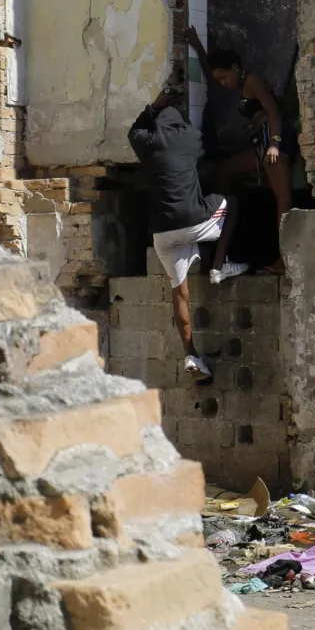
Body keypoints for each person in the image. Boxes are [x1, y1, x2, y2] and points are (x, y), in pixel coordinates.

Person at [128, 86, 240, 383]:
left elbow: (134, 130)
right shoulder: (189, 137)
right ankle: (219, 265)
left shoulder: (147, 142)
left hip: (162, 234)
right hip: (193, 223)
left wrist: (154, 106)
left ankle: (191, 354)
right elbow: (208, 149)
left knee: (180, 294)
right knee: (231, 202)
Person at [200, 44, 292, 222]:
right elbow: (211, 75)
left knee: (282, 196)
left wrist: (274, 143)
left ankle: (285, 240)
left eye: (224, 77)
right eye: (219, 81)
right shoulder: (242, 85)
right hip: (262, 140)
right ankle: (223, 224)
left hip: (273, 137)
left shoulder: (252, 81)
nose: (223, 83)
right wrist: (196, 43)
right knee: (223, 171)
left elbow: (273, 110)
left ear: (234, 67)